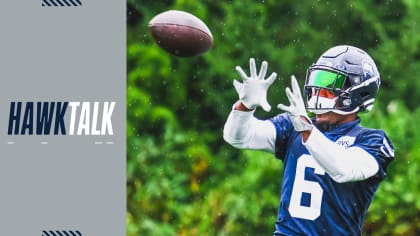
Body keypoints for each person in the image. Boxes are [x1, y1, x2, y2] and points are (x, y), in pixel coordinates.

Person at [223, 45, 395, 235]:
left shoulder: (372, 141)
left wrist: (306, 128)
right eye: (317, 81)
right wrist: (244, 106)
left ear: (356, 92)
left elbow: (343, 169)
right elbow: (238, 137)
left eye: (329, 85)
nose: (318, 92)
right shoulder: (294, 126)